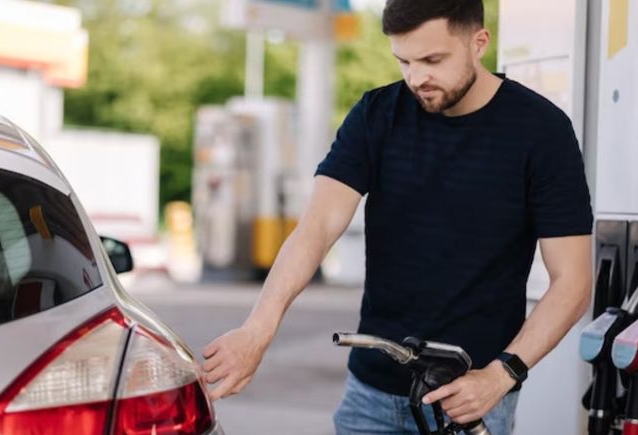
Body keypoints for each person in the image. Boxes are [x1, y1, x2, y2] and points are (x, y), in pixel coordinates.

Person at [201, 0, 593, 433]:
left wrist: (502, 374)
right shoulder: (376, 115)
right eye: (404, 61)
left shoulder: (542, 131)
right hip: (369, 397)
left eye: (433, 59)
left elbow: (572, 281)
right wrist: (259, 328)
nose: (416, 77)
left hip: (470, 401)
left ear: (479, 42)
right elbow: (317, 228)